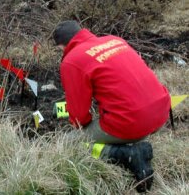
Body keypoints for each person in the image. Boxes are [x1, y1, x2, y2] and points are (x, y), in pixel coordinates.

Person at [53, 20, 171, 192]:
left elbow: (79, 117)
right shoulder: (115, 40)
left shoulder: (72, 60)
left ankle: (126, 154)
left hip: (131, 121)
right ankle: (130, 143)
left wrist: (83, 126)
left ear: (63, 46)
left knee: (69, 143)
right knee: (114, 125)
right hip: (161, 111)